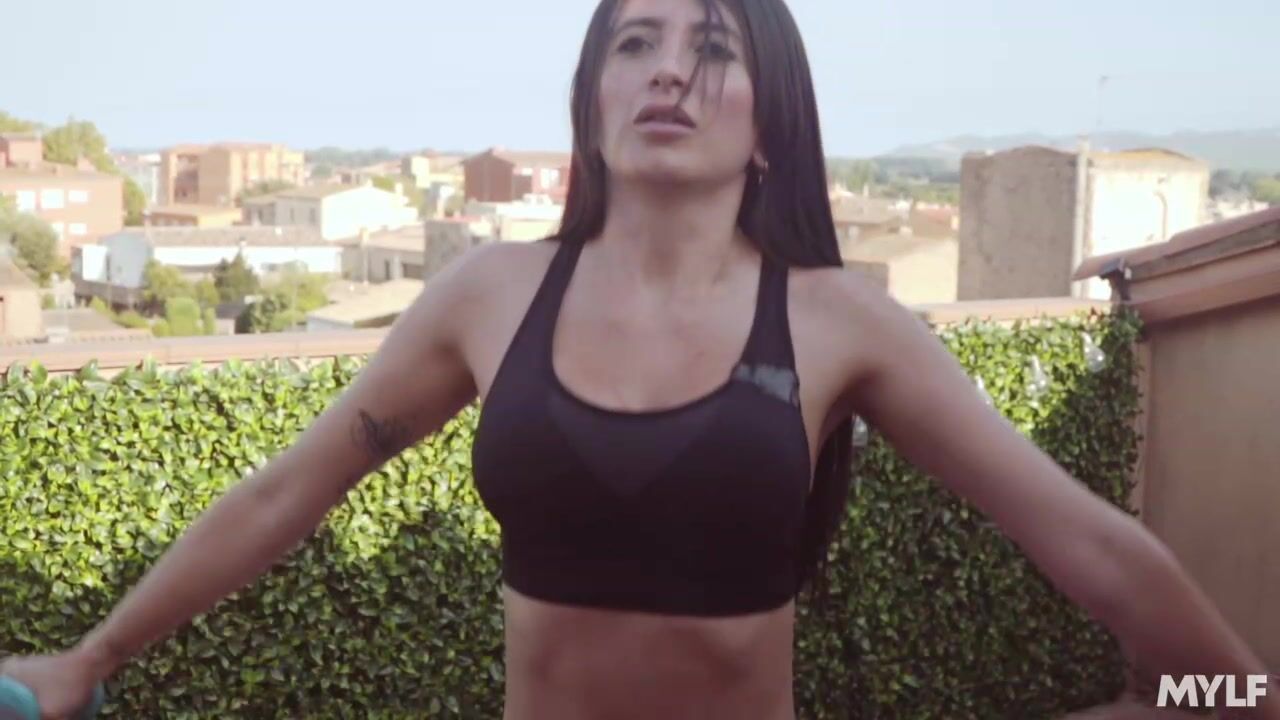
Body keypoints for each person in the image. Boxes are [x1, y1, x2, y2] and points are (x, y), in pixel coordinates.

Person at [2, 1, 1274, 718]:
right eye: (634, 42)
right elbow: (287, 490)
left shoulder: (840, 321)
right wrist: (89, 657)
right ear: (593, 106)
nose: (669, 69)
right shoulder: (489, 295)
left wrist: (1229, 693)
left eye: (712, 46)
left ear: (769, 126)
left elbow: (1085, 538)